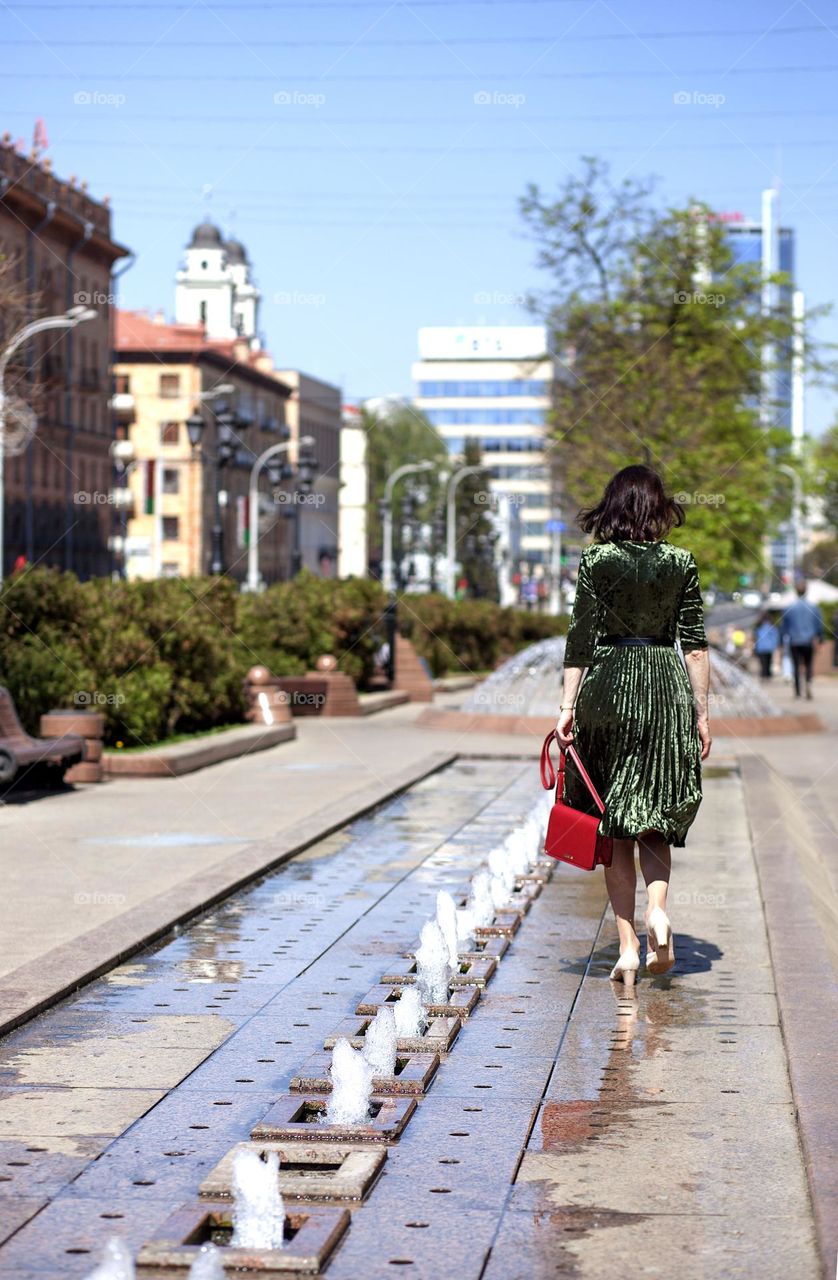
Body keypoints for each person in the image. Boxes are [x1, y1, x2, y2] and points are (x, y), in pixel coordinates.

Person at [556, 465, 711, 987]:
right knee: (655, 816)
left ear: (614, 506)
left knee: (611, 822)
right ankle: (658, 913)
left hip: (609, 687)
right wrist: (702, 714)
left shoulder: (597, 561)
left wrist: (566, 707)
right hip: (665, 688)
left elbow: (580, 640)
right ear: (659, 507)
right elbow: (694, 645)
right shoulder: (680, 562)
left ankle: (626, 949)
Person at [780, 581, 824, 699]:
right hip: (808, 640)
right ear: (806, 591)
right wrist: (820, 639)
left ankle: (798, 692)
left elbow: (783, 627)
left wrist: (781, 641)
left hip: (794, 640)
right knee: (809, 664)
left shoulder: (789, 608)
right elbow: (819, 625)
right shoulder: (814, 607)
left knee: (795, 665)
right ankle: (808, 683)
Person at [753, 611, 780, 680]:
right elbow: (775, 637)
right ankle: (767, 675)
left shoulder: (759, 628)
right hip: (769, 647)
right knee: (768, 662)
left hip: (761, 648)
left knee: (763, 663)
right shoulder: (772, 628)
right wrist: (775, 646)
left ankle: (764, 675)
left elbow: (756, 637)